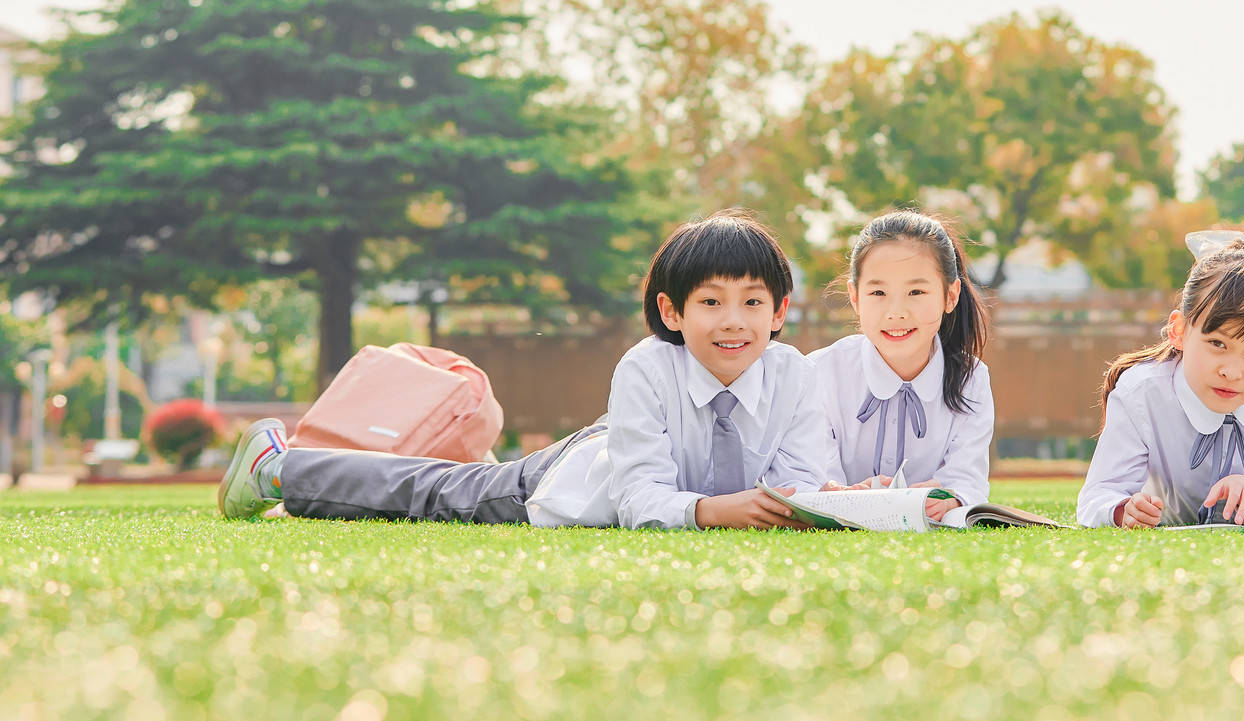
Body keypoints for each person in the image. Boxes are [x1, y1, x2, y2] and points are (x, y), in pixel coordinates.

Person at [216, 210, 836, 530]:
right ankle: (280, 468)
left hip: (624, 459)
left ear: (779, 310)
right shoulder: (646, 369)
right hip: (577, 478)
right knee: (441, 495)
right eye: (711, 302)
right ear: (671, 312)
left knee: (455, 483)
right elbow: (640, 501)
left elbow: (796, 485)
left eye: (753, 302)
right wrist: (714, 512)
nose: (735, 321)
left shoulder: (794, 375)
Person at [1076, 225, 1244, 528]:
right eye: (1218, 344)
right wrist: (1121, 510)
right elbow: (1098, 493)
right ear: (1179, 331)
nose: (1231, 371)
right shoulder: (1141, 393)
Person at [807, 211, 993, 522]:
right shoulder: (819, 372)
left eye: (916, 292)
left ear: (951, 295)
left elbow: (968, 478)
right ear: (854, 297)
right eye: (878, 293)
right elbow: (811, 472)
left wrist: (950, 498)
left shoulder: (970, 379)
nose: (896, 312)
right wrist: (837, 492)